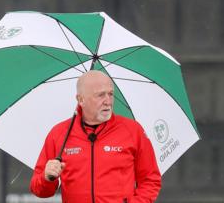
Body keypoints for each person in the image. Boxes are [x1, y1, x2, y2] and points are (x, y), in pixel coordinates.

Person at [30, 70, 161, 203]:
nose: (108, 101)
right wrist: (46, 178)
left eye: (110, 94)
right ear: (81, 99)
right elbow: (39, 190)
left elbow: (150, 180)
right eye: (100, 95)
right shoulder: (59, 133)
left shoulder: (133, 130)